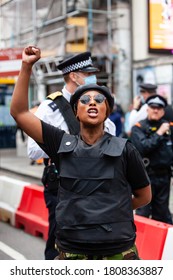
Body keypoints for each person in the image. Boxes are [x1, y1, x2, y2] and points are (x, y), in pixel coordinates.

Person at [10, 46, 151, 260]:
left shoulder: (125, 149)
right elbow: (19, 113)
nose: (92, 102)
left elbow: (144, 196)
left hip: (118, 252)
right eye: (84, 100)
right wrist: (26, 66)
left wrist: (113, 208)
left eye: (99, 100)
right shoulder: (60, 143)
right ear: (75, 111)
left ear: (108, 112)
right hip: (73, 251)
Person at [27, 51, 116, 260]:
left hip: (94, 181)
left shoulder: (96, 102)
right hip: (61, 183)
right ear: (74, 76)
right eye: (88, 73)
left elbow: (112, 136)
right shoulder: (50, 107)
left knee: (91, 239)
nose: (93, 78)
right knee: (60, 237)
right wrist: (66, 142)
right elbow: (32, 149)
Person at [131, 94, 173, 224]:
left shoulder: (169, 127)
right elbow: (143, 147)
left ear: (163, 111)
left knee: (162, 214)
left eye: (159, 108)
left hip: (164, 177)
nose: (155, 110)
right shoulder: (138, 127)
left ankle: (162, 244)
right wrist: (159, 133)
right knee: (143, 215)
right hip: (145, 177)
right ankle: (141, 244)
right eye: (153, 107)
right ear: (147, 109)